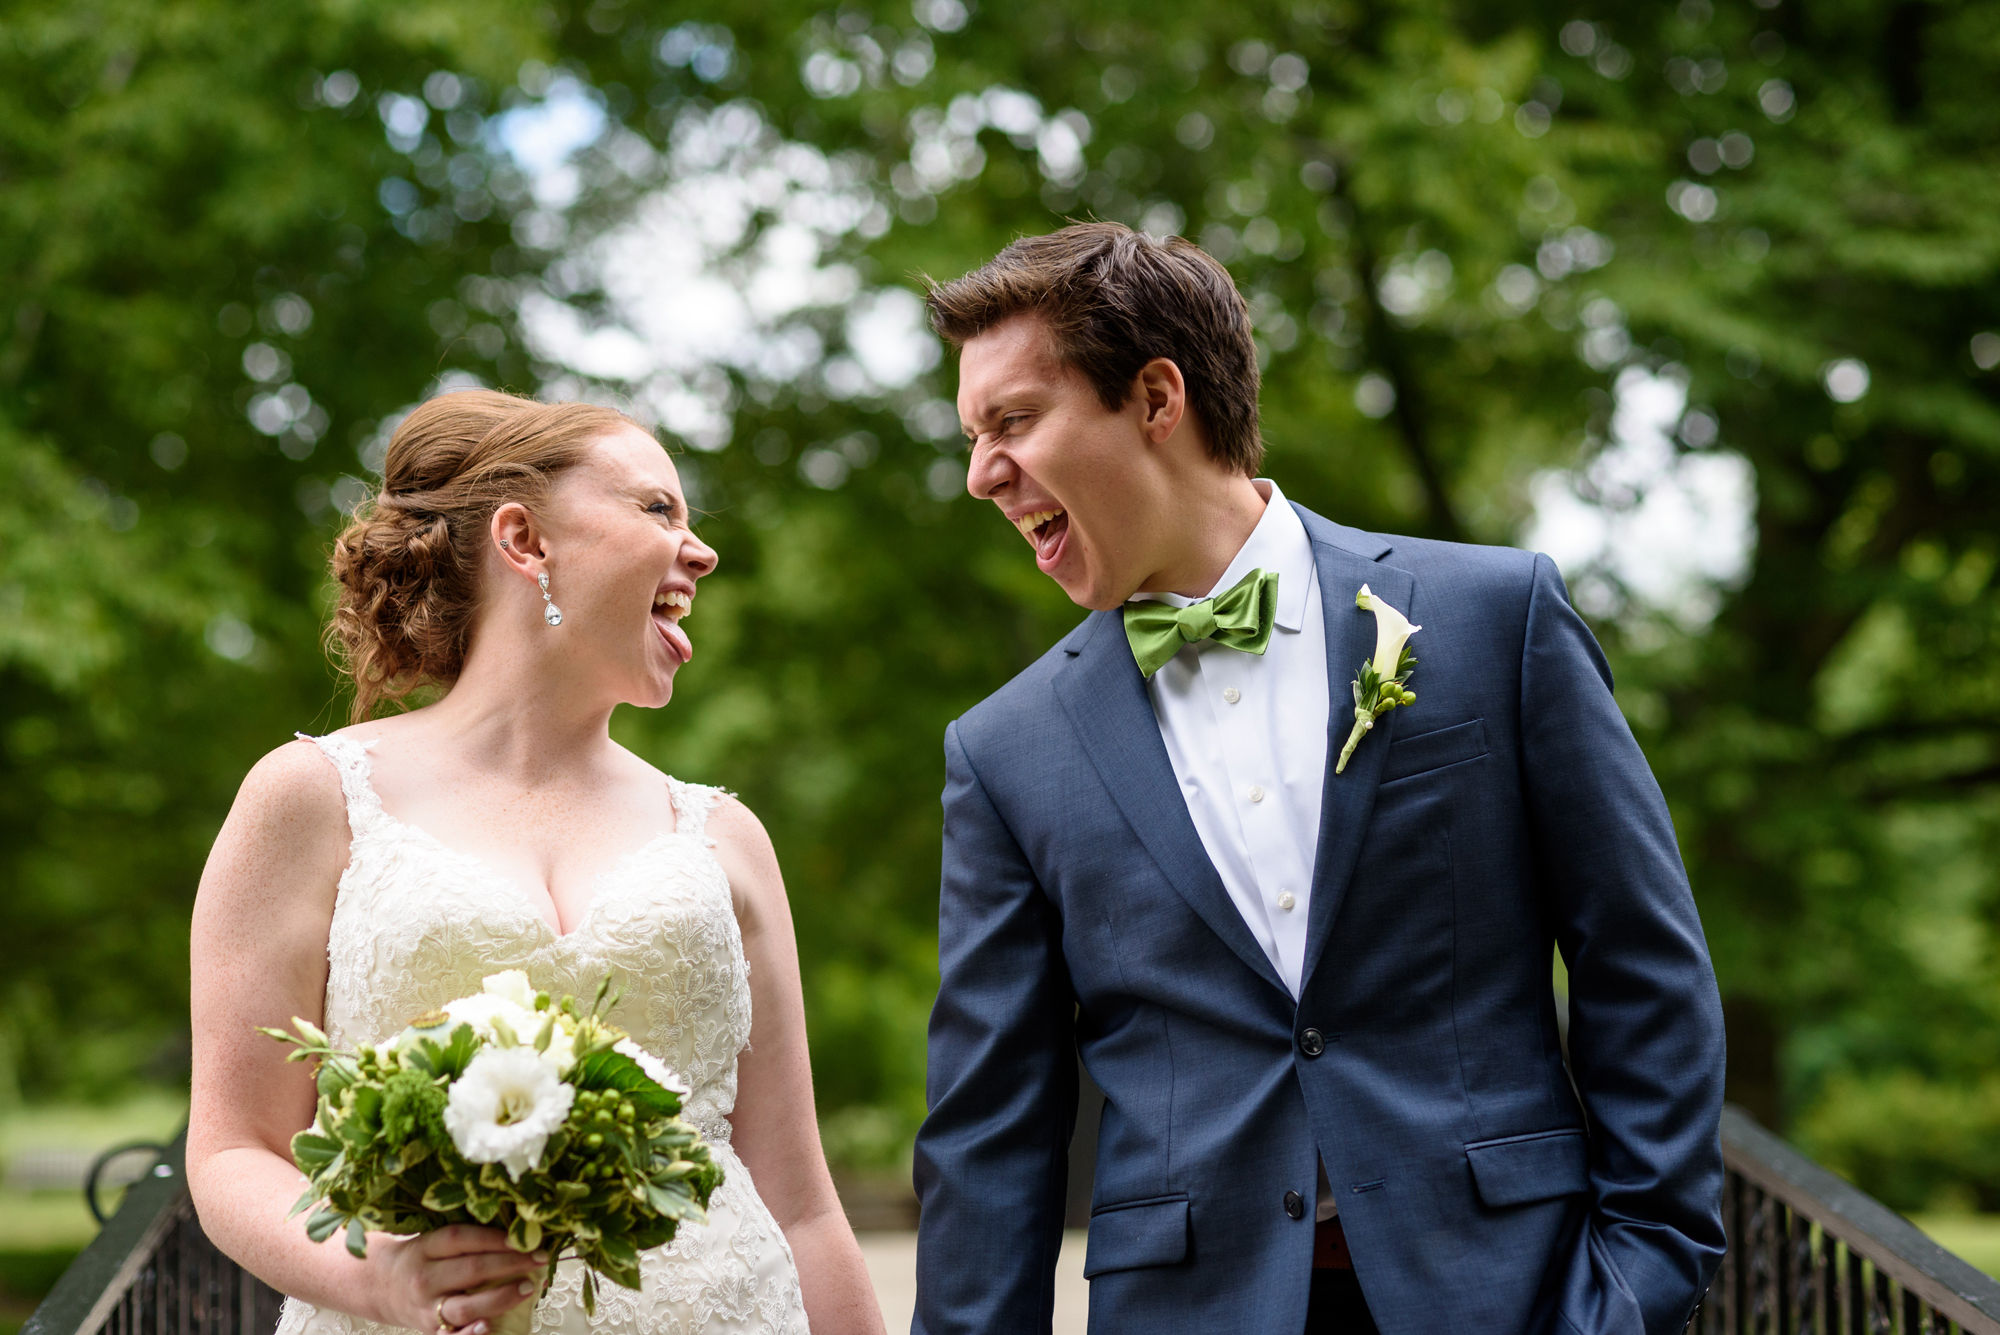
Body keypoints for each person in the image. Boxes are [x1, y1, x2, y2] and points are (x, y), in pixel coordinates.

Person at [910, 223, 1727, 1335]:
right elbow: (989, 1132)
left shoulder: (1493, 620)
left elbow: (1639, 963)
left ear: (1156, 397)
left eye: (1011, 420)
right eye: (971, 436)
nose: (978, 474)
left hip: (1511, 1295)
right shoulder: (1003, 752)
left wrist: (1635, 1279)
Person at [187, 390, 885, 1335]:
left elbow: (802, 1207)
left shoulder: (725, 836)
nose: (702, 549)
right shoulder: (312, 798)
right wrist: (377, 1278)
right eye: (656, 509)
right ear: (526, 540)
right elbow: (235, 1149)